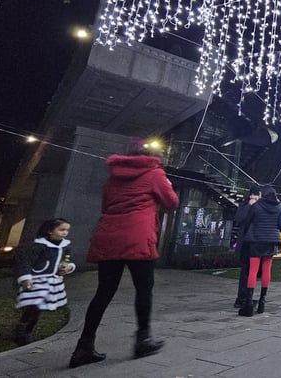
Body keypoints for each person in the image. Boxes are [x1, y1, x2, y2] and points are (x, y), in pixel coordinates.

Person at [69, 138, 179, 368]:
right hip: (138, 236)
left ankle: (84, 346)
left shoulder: (113, 177)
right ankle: (143, 339)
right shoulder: (155, 173)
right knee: (144, 288)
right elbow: (171, 202)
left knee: (104, 291)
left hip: (109, 235)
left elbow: (106, 205)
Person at [12, 218, 75, 346]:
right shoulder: (39, 246)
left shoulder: (65, 246)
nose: (65, 233)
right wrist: (25, 277)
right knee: (33, 305)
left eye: (67, 230)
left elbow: (67, 260)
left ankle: (25, 331)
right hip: (37, 280)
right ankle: (22, 332)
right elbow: (26, 262)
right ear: (50, 231)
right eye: (61, 230)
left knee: (38, 307)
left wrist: (68, 267)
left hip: (52, 281)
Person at [238, 185, 281, 316]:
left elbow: (247, 221)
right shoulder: (279, 207)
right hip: (271, 242)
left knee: (253, 271)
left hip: (255, 241)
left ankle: (248, 304)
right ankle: (262, 302)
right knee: (266, 270)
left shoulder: (257, 206)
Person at [232, 185, 262, 308]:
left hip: (255, 243)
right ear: (251, 196)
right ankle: (242, 298)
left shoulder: (260, 208)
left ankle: (246, 296)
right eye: (255, 195)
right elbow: (239, 219)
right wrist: (249, 205)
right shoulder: (245, 206)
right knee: (246, 272)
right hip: (246, 244)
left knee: (252, 272)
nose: (256, 198)